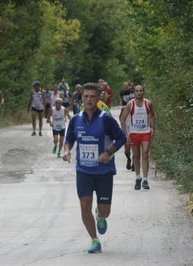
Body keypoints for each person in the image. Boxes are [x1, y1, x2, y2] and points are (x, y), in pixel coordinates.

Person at [63, 83, 126, 253]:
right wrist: (67, 151)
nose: (89, 99)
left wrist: (108, 152)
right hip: (83, 170)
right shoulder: (76, 119)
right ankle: (94, 240)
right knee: (84, 205)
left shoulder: (105, 118)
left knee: (105, 211)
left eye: (92, 96)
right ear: (81, 98)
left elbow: (121, 138)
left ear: (98, 99)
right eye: (86, 96)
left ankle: (100, 216)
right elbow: (69, 138)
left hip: (103, 171)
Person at [120, 85, 156, 190]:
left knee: (145, 153)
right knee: (136, 156)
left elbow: (153, 115)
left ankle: (145, 179)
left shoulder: (148, 103)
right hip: (134, 132)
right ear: (134, 92)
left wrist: (152, 127)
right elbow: (123, 119)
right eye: (136, 91)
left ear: (143, 92)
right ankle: (138, 177)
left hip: (145, 132)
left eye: (140, 91)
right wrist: (125, 134)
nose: (139, 92)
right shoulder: (130, 104)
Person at [119, 82, 134, 170]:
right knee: (127, 147)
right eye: (130, 99)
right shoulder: (124, 108)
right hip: (127, 128)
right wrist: (123, 129)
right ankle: (128, 158)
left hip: (135, 129)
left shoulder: (139, 106)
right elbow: (121, 118)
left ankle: (134, 164)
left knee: (135, 147)